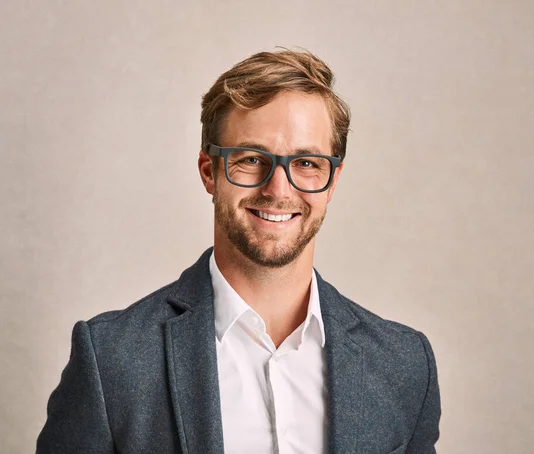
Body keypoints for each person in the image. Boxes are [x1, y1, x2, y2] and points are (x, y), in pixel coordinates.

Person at [37, 49, 441, 454]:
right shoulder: (111, 360)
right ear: (209, 171)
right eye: (250, 159)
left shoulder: (404, 365)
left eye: (306, 163)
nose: (278, 190)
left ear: (332, 180)